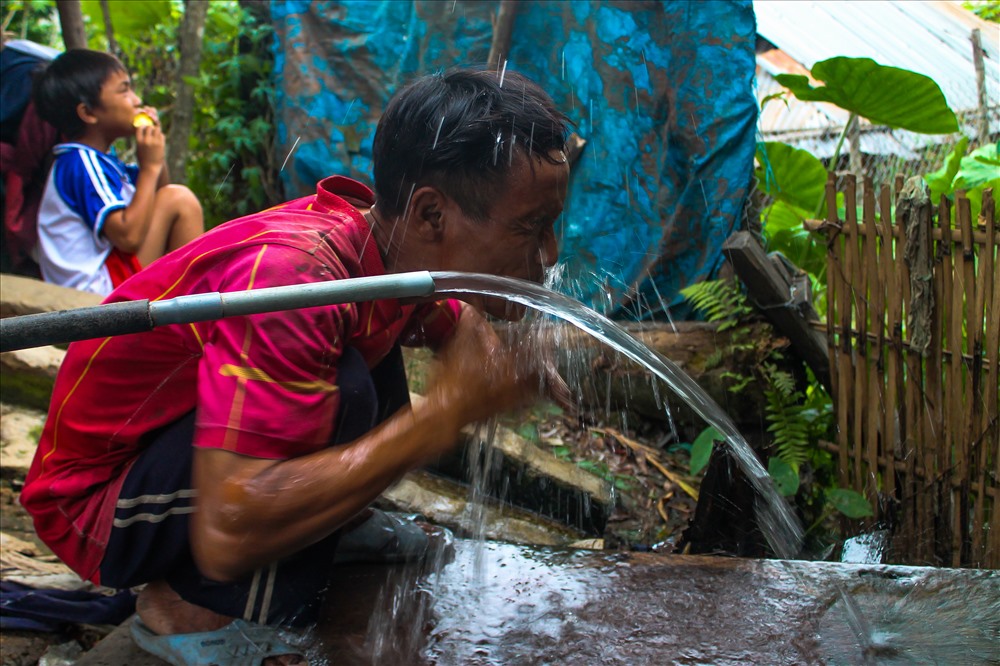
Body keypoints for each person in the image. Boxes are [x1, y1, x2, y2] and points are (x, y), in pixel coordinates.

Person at [21, 67, 570, 665]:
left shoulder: (384, 251)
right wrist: (444, 415)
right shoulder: (295, 279)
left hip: (168, 464)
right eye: (529, 228)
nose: (550, 255)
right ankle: (189, 614)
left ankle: (330, 527)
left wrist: (492, 359)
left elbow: (457, 322)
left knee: (365, 357)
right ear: (431, 215)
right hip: (98, 502)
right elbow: (231, 526)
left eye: (552, 225)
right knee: (347, 389)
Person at [31, 48, 203, 296]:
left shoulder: (101, 162)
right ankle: (195, 314)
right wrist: (150, 167)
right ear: (88, 113)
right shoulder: (79, 162)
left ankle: (191, 308)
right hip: (96, 292)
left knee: (174, 198)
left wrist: (154, 157)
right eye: (124, 91)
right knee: (180, 200)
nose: (136, 100)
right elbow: (128, 237)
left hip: (109, 279)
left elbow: (159, 193)